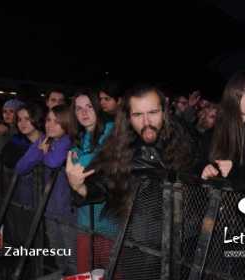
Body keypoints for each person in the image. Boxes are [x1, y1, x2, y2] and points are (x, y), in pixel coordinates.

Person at [66, 84, 196, 278]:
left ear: (165, 110)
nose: (146, 122)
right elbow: (102, 185)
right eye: (137, 115)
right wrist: (79, 186)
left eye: (153, 112)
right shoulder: (120, 147)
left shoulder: (185, 137)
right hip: (140, 246)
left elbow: (201, 167)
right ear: (128, 117)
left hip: (184, 243)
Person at [15, 105, 75, 275]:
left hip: (67, 211)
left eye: (57, 122)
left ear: (67, 123)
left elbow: (54, 162)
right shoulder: (44, 140)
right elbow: (20, 167)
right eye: (48, 120)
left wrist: (44, 153)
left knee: (73, 257)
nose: (51, 125)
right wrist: (41, 151)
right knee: (59, 255)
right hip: (48, 208)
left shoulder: (68, 141)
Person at [68, 89, 117, 273]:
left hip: (109, 222)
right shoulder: (79, 138)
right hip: (84, 220)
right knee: (84, 273)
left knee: (113, 272)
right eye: (78, 108)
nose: (84, 112)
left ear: (98, 108)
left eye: (89, 106)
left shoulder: (112, 132)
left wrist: (76, 164)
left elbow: (88, 165)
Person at [201, 71, 245, 192]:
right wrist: (205, 169)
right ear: (235, 95)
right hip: (216, 204)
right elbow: (198, 161)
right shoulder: (214, 133)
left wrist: (235, 170)